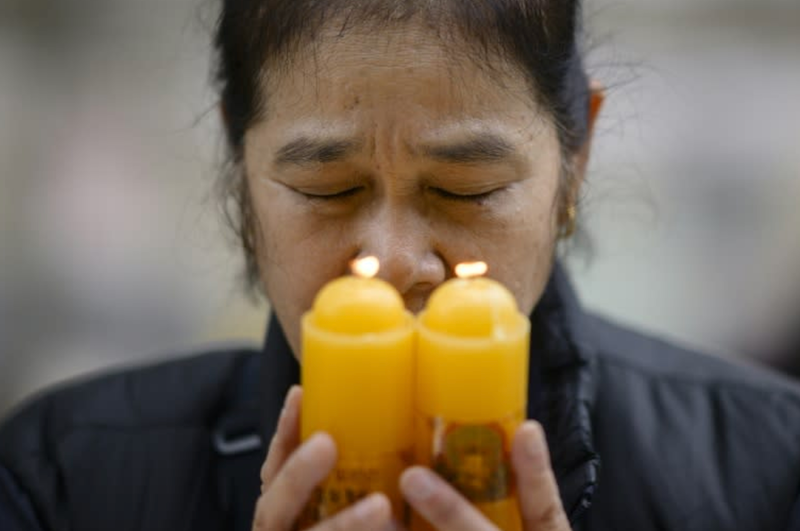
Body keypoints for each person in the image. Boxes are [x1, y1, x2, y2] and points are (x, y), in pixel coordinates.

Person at [2, 0, 800, 530]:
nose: (389, 261)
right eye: (327, 189)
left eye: (466, 189)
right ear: (241, 169)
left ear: (576, 159)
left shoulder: (769, 468)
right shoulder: (61, 476)